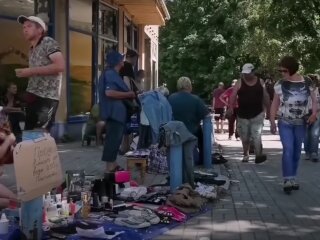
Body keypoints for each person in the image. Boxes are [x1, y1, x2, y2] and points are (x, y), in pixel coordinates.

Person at [270, 56, 317, 193]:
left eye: (284, 71)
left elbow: (314, 100)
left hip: (301, 122)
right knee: (288, 149)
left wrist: (314, 114)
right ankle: (287, 179)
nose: (282, 73)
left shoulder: (307, 82)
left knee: (296, 152)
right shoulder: (279, 84)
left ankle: (293, 177)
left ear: (292, 69)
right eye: (280, 71)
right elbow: (275, 103)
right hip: (285, 121)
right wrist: (272, 121)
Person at [15, 15, 64, 132]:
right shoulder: (31, 49)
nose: (25, 29)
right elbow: (39, 72)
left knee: (39, 135)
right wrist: (26, 73)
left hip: (47, 98)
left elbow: (60, 66)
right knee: (28, 134)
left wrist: (31, 71)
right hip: (32, 95)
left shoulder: (48, 42)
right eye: (24, 27)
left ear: (40, 30)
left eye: (29, 26)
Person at [99, 50, 136, 172]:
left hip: (117, 113)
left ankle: (113, 164)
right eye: (121, 59)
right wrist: (128, 94)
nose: (123, 62)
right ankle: (110, 167)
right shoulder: (110, 74)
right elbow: (109, 93)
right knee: (113, 139)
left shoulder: (112, 74)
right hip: (114, 113)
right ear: (117, 62)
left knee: (115, 139)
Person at [228, 63, 270, 163]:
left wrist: (268, 110)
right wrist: (230, 107)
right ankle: (246, 154)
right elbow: (233, 95)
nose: (246, 75)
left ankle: (259, 155)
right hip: (242, 114)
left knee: (257, 134)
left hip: (258, 113)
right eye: (244, 73)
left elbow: (266, 96)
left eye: (248, 73)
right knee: (245, 136)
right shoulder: (239, 82)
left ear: (253, 72)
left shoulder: (260, 82)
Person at [168, 76, 209, 166]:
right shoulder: (196, 99)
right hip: (191, 131)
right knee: (202, 137)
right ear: (190, 86)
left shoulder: (171, 98)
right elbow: (206, 115)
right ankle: (203, 160)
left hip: (174, 131)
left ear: (178, 86)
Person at [304, 74, 320, 162]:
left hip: (317, 114)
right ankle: (307, 152)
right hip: (305, 114)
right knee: (306, 134)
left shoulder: (318, 90)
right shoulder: (301, 91)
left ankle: (314, 152)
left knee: (315, 133)